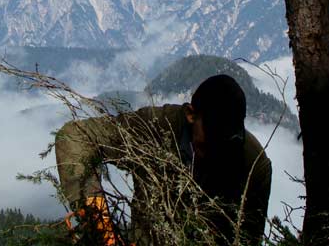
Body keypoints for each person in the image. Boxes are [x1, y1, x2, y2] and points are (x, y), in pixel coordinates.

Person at [55, 74, 272, 245]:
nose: (218, 152)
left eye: (226, 145)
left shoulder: (254, 164)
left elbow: (248, 238)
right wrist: (99, 225)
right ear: (190, 114)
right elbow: (75, 136)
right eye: (211, 140)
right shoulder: (156, 127)